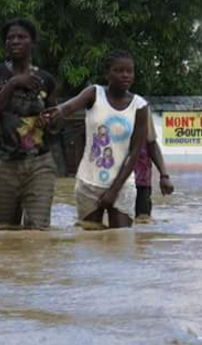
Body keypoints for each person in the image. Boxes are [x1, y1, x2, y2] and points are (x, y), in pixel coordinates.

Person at [43, 50, 147, 229]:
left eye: (129, 71)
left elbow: (134, 153)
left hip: (122, 186)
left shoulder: (140, 106)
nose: (125, 75)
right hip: (88, 183)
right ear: (107, 73)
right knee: (89, 243)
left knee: (121, 242)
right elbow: (70, 106)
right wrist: (59, 111)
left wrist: (113, 191)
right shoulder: (94, 93)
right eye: (119, 71)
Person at [0, 18, 58, 230]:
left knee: (38, 230)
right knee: (5, 231)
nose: (15, 41)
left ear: (32, 42)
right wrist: (13, 84)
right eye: (10, 38)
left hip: (39, 164)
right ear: (5, 44)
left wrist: (48, 121)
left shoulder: (46, 79)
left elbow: (56, 122)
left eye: (21, 37)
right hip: (2, 164)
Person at [134, 116, 175, 222]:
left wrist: (164, 175)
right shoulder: (99, 104)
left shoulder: (142, 107)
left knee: (143, 221)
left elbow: (151, 143)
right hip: (109, 178)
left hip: (141, 180)